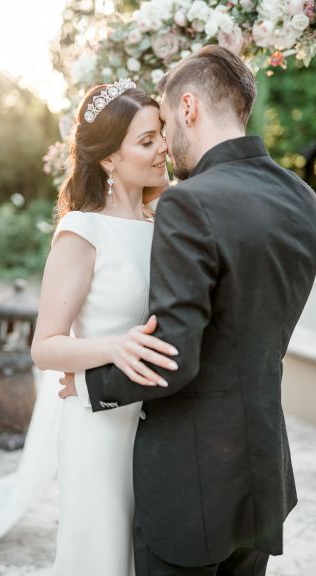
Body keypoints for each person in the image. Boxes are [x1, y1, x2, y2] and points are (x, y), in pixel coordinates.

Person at [61, 45, 316, 575]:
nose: (164, 144)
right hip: (262, 471)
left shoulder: (189, 201)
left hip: (190, 482)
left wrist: (89, 384)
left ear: (189, 107)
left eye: (164, 124)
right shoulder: (302, 198)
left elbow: (175, 355)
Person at [0, 79, 178, 576]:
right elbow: (45, 347)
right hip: (99, 425)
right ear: (109, 158)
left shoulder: (163, 224)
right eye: (147, 140)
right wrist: (117, 347)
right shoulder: (82, 230)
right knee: (102, 556)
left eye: (162, 135)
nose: (163, 148)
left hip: (158, 422)